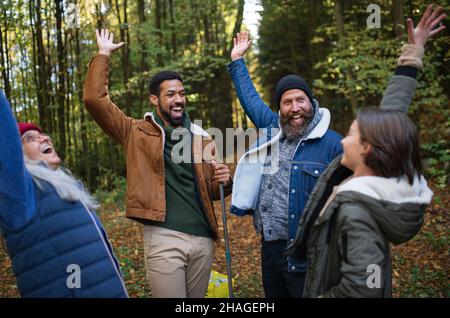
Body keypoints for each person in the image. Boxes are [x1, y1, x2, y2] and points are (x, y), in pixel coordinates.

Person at [285, 4, 445, 298]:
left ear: (368, 147)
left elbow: (363, 289)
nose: (343, 141)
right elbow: (393, 110)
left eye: (351, 134)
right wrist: (413, 53)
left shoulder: (359, 212)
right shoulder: (368, 176)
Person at [83, 29, 232, 298]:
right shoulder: (135, 131)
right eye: (171, 95)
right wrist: (103, 54)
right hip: (164, 238)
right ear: (155, 99)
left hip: (203, 240)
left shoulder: (201, 137)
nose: (178, 100)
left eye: (182, 94)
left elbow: (211, 191)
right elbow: (94, 100)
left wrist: (224, 180)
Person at [227, 32, 343, 297]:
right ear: (280, 108)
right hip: (270, 246)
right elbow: (250, 99)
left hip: (307, 250)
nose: (295, 108)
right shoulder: (272, 128)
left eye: (300, 100)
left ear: (311, 102)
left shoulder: (333, 144)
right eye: (287, 102)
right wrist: (237, 60)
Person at [0, 90, 128, 298]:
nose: (44, 137)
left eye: (41, 133)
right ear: (15, 154)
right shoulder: (22, 193)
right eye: (30, 138)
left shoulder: (64, 188)